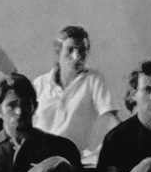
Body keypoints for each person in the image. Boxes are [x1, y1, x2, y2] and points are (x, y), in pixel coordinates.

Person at [34, 25, 118, 156]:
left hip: (72, 159)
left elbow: (110, 119)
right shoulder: (39, 84)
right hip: (38, 155)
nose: (76, 57)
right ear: (58, 53)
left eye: (82, 51)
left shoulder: (93, 80)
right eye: (70, 50)